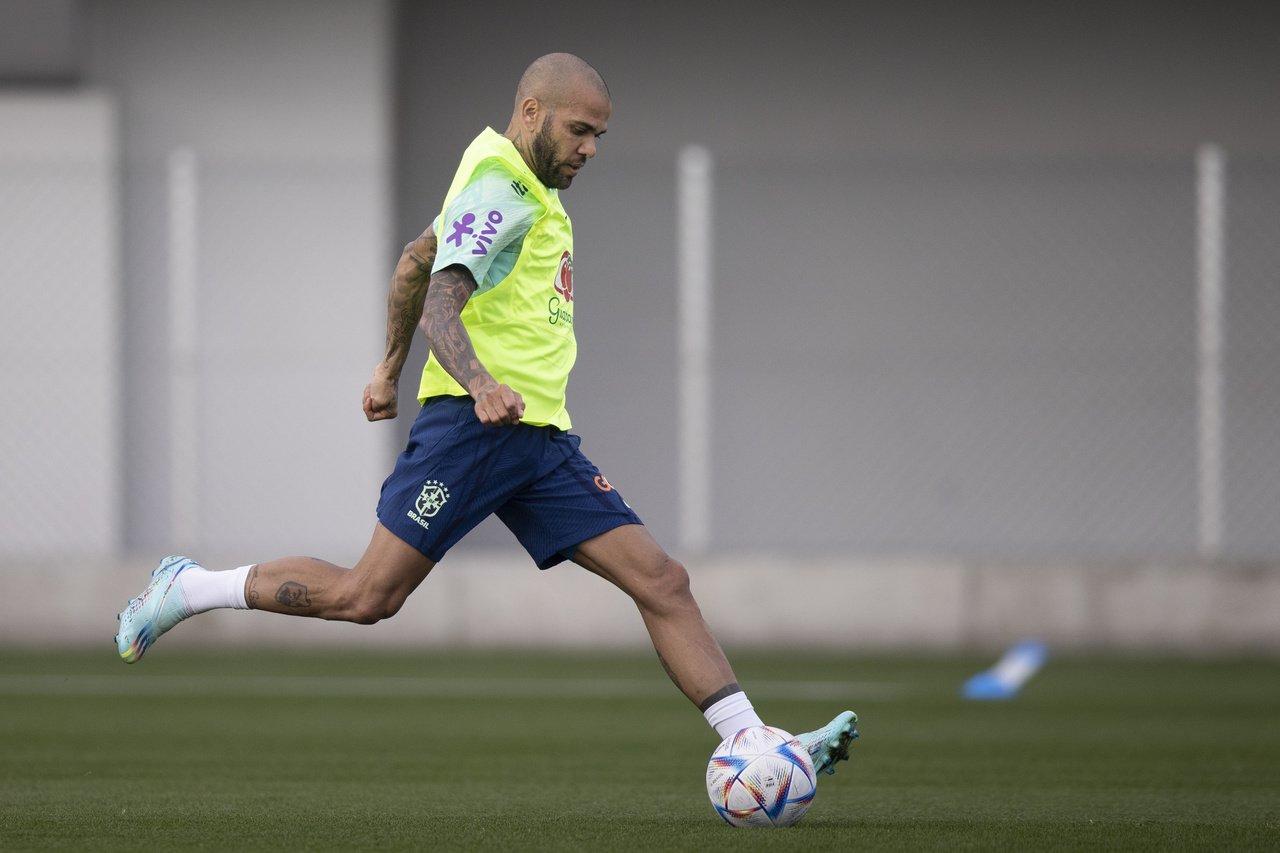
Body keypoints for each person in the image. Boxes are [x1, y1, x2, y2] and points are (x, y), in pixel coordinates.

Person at [116, 52, 858, 773]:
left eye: (600, 134)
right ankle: (189, 587)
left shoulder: (516, 184)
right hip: (476, 431)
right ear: (531, 112)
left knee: (662, 580)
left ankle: (754, 743)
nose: (591, 148)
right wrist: (475, 383)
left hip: (539, 439)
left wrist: (387, 367)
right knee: (366, 595)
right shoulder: (502, 188)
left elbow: (415, 260)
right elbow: (443, 296)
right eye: (578, 130)